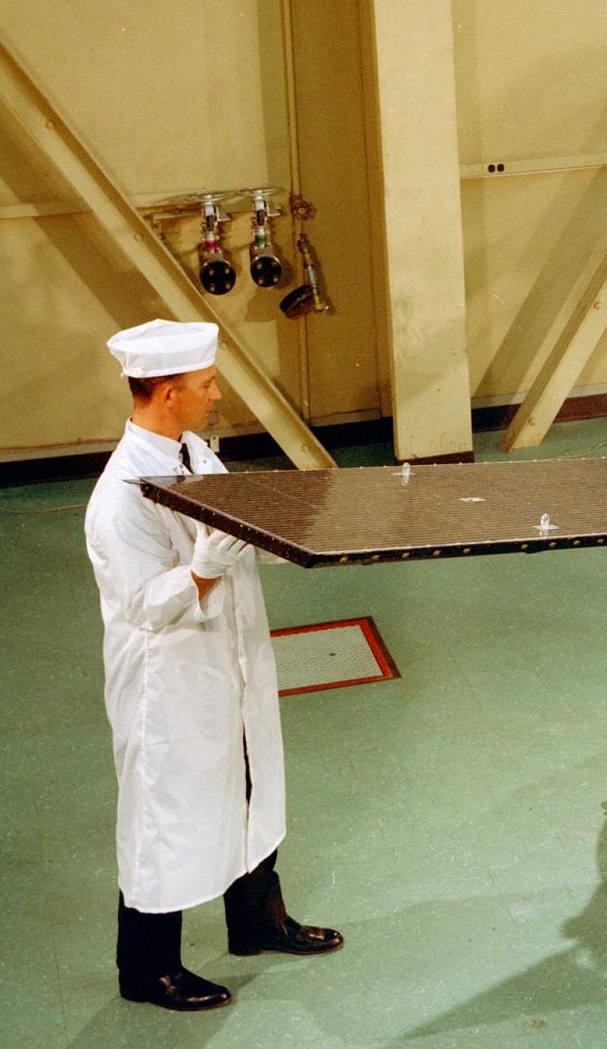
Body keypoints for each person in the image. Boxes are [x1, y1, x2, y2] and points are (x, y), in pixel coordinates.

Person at [85, 319, 341, 1012]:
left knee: (252, 775)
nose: (216, 394)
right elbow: (145, 604)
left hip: (230, 658)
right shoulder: (119, 497)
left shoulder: (195, 453)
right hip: (168, 681)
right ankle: (146, 967)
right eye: (205, 385)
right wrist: (202, 571)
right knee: (163, 810)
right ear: (167, 393)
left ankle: (256, 920)